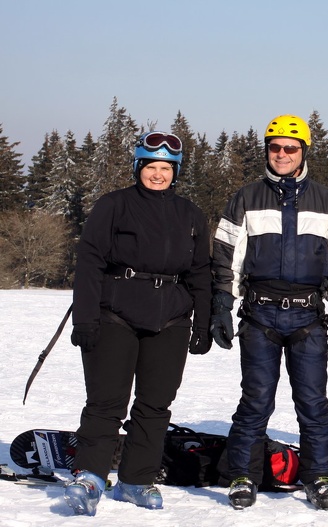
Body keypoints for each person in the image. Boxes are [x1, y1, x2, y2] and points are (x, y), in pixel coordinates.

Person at [209, 114, 328, 510]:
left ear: (304, 151)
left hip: (308, 318)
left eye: (291, 148)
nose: (283, 154)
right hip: (260, 316)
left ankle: (319, 476)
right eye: (275, 148)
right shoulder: (246, 198)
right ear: (267, 151)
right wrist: (222, 304)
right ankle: (242, 474)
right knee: (255, 401)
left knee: (313, 402)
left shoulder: (326, 201)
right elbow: (226, 257)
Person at [65, 131, 212, 516]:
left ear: (175, 171)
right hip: (115, 313)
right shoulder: (114, 205)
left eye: (166, 168)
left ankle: (135, 480)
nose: (158, 174)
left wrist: (203, 322)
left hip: (172, 319)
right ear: (138, 167)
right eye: (151, 167)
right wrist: (85, 318)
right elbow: (90, 263)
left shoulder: (190, 214)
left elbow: (200, 272)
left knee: (155, 404)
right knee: (106, 402)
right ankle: (92, 477)